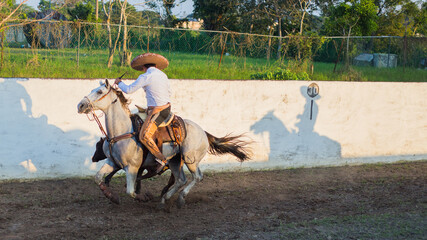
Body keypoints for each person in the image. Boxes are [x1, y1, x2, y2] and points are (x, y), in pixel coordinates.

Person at [114, 53, 171, 173]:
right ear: (156, 65)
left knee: (144, 136)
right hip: (164, 108)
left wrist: (119, 83)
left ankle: (162, 160)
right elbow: (169, 92)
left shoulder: (145, 76)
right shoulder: (163, 75)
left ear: (144, 67)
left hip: (158, 111)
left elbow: (129, 90)